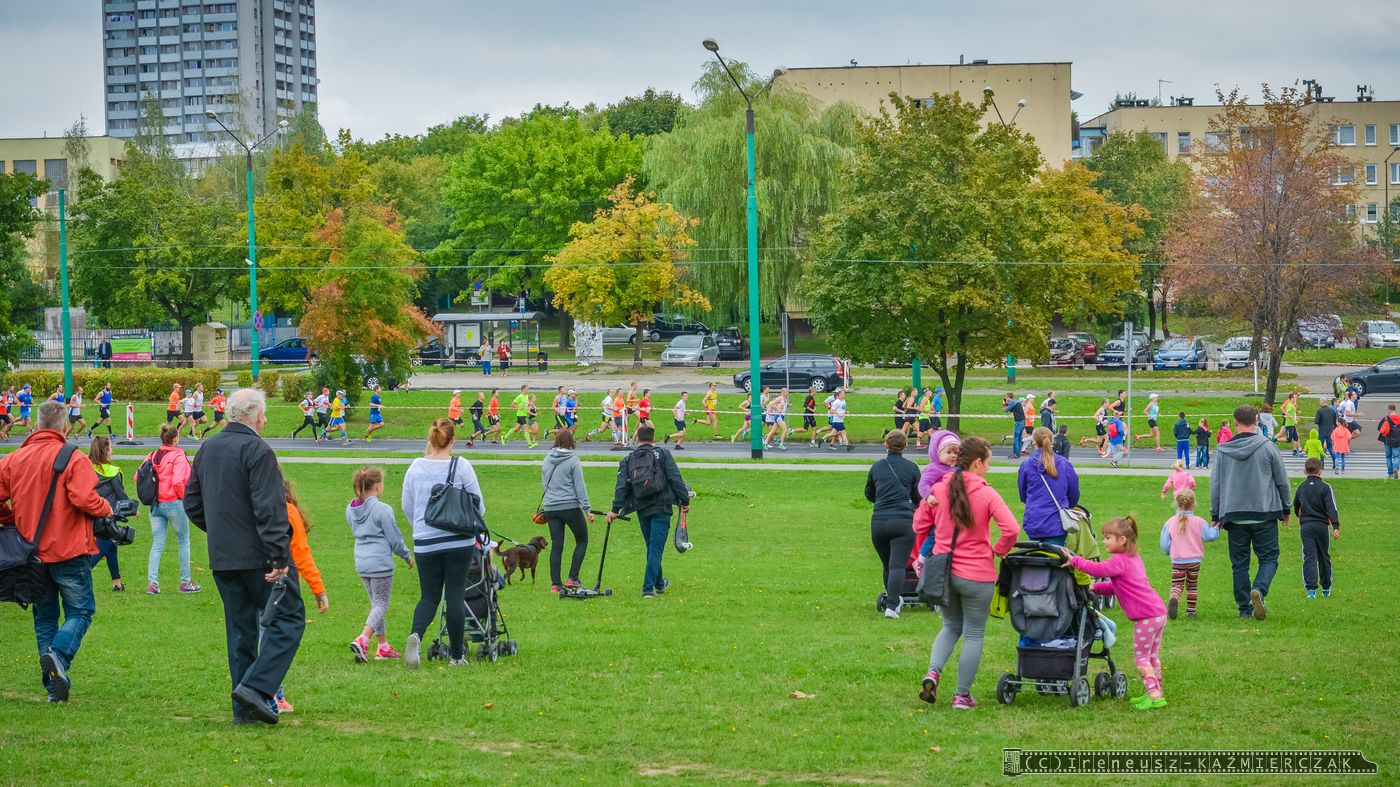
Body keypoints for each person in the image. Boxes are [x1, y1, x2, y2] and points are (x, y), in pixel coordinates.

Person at [184, 388, 304, 725]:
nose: (265, 420)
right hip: (260, 556)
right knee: (289, 618)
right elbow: (269, 508)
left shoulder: (208, 448)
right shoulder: (257, 450)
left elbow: (192, 503)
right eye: (263, 414)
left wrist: (222, 531)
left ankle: (245, 710)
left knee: (240, 631)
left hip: (224, 556)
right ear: (255, 415)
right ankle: (256, 687)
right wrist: (279, 556)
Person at [0, 400, 112, 702]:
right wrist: (106, 507)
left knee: (45, 617)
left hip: (30, 553)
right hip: (69, 549)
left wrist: (12, 519)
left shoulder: (14, 458)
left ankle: (53, 689)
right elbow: (83, 498)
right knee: (81, 610)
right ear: (64, 426)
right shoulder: (73, 457)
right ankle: (58, 656)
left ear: (37, 424)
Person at [917, 437, 1020, 709]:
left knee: (950, 625)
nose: (988, 468)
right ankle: (961, 695)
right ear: (977, 462)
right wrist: (999, 550)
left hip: (943, 571)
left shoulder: (939, 488)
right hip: (976, 573)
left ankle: (933, 672)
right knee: (974, 633)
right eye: (988, 463)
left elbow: (919, 525)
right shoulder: (986, 493)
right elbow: (1011, 529)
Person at [1061, 516, 1169, 710]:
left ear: (1122, 540)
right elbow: (1118, 586)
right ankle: (1157, 693)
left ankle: (1153, 695)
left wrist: (1075, 561)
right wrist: (1096, 588)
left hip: (1146, 617)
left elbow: (1098, 569)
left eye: (1108, 537)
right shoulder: (1133, 558)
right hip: (1158, 613)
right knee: (1153, 656)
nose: (1104, 541)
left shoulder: (1118, 561)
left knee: (1141, 657)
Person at [402, 419, 485, 668]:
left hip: (425, 541)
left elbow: (408, 506)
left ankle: (416, 634)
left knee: (429, 597)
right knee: (455, 595)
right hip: (458, 540)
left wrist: (421, 528)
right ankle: (457, 656)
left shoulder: (415, 467)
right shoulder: (462, 466)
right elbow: (478, 505)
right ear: (452, 440)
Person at [1210, 404, 1291, 621]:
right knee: (1269, 558)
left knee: (1239, 564)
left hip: (1234, 514)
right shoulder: (1268, 447)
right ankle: (1259, 589)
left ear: (1235, 422)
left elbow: (1215, 485)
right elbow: (1282, 480)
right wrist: (1286, 508)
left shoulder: (1224, 451)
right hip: (1264, 511)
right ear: (1256, 421)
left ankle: (1244, 608)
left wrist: (1215, 514)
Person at [607, 425, 691, 599]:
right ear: (654, 439)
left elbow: (621, 487)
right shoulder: (662, 454)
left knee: (652, 547)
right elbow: (675, 478)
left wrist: (615, 509)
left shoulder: (628, 459)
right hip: (661, 505)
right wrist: (684, 500)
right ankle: (647, 589)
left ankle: (659, 583)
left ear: (637, 439)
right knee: (655, 549)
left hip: (641, 507)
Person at [347, 466, 412, 663]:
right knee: (381, 604)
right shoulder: (383, 510)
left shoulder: (351, 509)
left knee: (376, 604)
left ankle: (383, 646)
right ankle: (363, 638)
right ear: (377, 486)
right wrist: (406, 555)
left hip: (362, 563)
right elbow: (394, 538)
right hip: (380, 563)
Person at [277, 475, 327, 713]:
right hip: (280, 584)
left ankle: (257, 689)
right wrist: (318, 590)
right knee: (280, 635)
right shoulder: (287, 511)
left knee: (256, 634)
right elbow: (300, 553)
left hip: (250, 578)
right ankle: (272, 693)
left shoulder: (248, 507)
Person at [864, 431, 921, 619]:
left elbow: (869, 494)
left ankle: (893, 599)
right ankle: (892, 606)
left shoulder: (876, 467)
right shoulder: (912, 468)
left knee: (887, 565)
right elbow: (918, 496)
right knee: (898, 565)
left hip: (879, 521)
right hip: (903, 521)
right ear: (906, 446)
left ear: (886, 445)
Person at [143, 423, 199, 595]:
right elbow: (178, 481)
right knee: (183, 541)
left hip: (155, 504)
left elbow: (138, 476)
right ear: (175, 439)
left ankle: (152, 584)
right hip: (174, 502)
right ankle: (185, 582)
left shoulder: (153, 455)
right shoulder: (179, 456)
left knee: (157, 543)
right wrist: (185, 499)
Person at [541, 430, 593, 592]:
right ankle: (573, 578)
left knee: (557, 545)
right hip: (569, 506)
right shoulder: (573, 460)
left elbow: (544, 484)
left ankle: (555, 584)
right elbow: (580, 487)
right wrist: (587, 509)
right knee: (582, 540)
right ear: (571, 442)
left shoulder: (547, 459)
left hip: (551, 507)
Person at [1159, 489, 1218, 620]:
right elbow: (1209, 536)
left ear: (1176, 503)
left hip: (1178, 561)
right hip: (1194, 561)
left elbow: (1164, 543)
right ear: (1193, 503)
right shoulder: (1199, 521)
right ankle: (1191, 612)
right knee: (1192, 586)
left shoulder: (1170, 522)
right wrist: (1216, 527)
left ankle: (1174, 597)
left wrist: (1168, 552)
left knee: (1176, 585)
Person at [1017, 427, 1080, 547]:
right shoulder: (1063, 464)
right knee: (1054, 556)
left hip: (1034, 519)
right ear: (1052, 440)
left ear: (1033, 442)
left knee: (1037, 556)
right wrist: (1067, 506)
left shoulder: (1026, 465)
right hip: (1056, 521)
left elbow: (1023, 494)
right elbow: (1074, 493)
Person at [1293, 457, 1340, 599]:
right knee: (1323, 555)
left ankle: (1311, 589)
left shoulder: (1301, 487)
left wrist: (1300, 516)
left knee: (1309, 556)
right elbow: (1331, 507)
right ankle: (1326, 587)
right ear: (1321, 471)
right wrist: (1335, 525)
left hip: (1306, 526)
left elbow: (1296, 506)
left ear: (1304, 471)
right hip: (1322, 526)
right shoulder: (1326, 488)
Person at [87, 436, 127, 592]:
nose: (112, 450)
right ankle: (79, 574)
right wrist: (132, 509)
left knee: (111, 548)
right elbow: (121, 494)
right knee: (101, 547)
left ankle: (117, 584)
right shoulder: (113, 472)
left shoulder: (87, 468)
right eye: (110, 447)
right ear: (105, 451)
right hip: (109, 515)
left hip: (91, 513)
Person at [917, 429, 962, 501]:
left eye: (956, 453)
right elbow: (923, 484)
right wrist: (928, 496)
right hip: (938, 501)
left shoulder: (958, 468)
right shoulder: (934, 468)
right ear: (937, 453)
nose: (953, 455)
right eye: (948, 452)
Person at [1313, 397, 1338, 466]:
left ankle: (1321, 464)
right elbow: (1335, 421)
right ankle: (1335, 462)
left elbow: (1316, 421)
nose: (1319, 403)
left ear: (1322, 402)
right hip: (1330, 431)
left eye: (1320, 402)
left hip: (1322, 431)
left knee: (1320, 447)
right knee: (1330, 447)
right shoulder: (1332, 410)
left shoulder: (1319, 411)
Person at [1003, 392, 1026, 459]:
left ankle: (1016, 453)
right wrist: (1007, 403)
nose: (1006, 398)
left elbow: (1006, 410)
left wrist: (1004, 403)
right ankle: (1018, 453)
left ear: (1008, 397)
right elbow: (1011, 410)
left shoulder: (1013, 402)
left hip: (1018, 422)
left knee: (1015, 438)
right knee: (1019, 438)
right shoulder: (1016, 402)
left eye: (1006, 397)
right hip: (1023, 421)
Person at [1379, 404, 1400, 480]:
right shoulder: (1399, 419)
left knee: (1388, 457)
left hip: (1387, 440)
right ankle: (1396, 468)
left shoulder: (1386, 418)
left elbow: (1379, 428)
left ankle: (1390, 474)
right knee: (1396, 456)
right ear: (1395, 410)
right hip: (1397, 440)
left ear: (1389, 410)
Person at [1282, 392, 1302, 456]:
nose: (1295, 399)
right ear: (1291, 398)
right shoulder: (1289, 405)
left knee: (1296, 438)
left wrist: (1296, 418)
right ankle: (1275, 439)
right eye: (1294, 398)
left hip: (1292, 425)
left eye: (1295, 398)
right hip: (1289, 424)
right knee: (1289, 440)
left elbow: (1293, 414)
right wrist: (1293, 419)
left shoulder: (1292, 405)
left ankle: (1295, 451)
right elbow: (1287, 413)